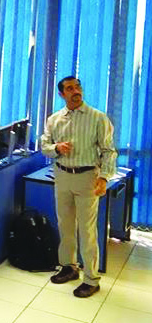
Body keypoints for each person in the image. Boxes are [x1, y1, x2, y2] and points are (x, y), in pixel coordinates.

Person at [41, 76, 117, 298]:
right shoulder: (54, 119)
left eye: (78, 87)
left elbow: (109, 151)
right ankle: (69, 267)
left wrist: (104, 178)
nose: (76, 91)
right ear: (62, 94)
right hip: (62, 175)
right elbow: (44, 145)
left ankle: (91, 279)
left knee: (87, 231)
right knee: (65, 225)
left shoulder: (98, 118)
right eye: (70, 88)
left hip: (87, 178)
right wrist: (56, 147)